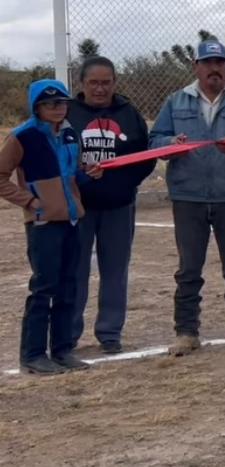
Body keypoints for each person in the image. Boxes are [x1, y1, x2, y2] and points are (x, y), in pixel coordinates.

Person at [148, 39, 225, 356]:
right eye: (208, 63)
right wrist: (172, 142)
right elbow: (155, 142)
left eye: (220, 62)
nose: (214, 68)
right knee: (189, 269)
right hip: (188, 197)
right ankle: (186, 333)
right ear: (196, 67)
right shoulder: (176, 102)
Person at [1, 80, 102, 374]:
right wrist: (30, 201)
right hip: (44, 223)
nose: (58, 108)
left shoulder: (71, 134)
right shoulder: (22, 137)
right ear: (37, 107)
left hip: (71, 219)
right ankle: (32, 354)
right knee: (43, 288)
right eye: (50, 104)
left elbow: (72, 175)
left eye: (62, 103)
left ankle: (62, 350)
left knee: (68, 287)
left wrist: (87, 175)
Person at [67, 56, 155, 354]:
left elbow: (145, 157)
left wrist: (123, 182)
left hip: (119, 205)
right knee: (75, 270)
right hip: (78, 207)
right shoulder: (67, 113)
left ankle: (110, 332)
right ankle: (69, 333)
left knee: (115, 271)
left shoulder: (128, 113)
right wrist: (80, 176)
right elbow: (58, 158)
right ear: (81, 84)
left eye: (106, 82)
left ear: (115, 83)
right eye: (94, 83)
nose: (100, 89)